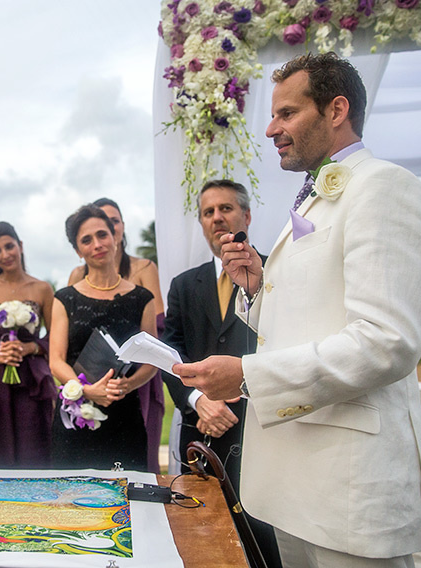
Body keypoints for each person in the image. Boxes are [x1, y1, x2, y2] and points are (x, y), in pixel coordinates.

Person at [174, 53, 421, 567]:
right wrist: (257, 290)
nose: (273, 129)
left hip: (347, 483)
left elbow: (387, 340)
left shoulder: (383, 187)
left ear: (336, 109)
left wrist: (248, 376)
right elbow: (309, 315)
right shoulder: (310, 199)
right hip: (294, 483)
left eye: (287, 113)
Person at [161, 179, 281, 567]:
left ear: (246, 215)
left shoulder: (278, 271)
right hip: (202, 434)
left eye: (226, 208)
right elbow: (171, 355)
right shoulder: (183, 285)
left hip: (262, 430)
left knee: (262, 539)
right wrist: (198, 401)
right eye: (208, 212)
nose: (217, 218)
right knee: (203, 537)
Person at [50, 204, 157, 471]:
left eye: (102, 235)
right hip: (76, 418)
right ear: (78, 251)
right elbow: (56, 360)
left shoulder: (142, 299)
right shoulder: (65, 299)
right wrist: (86, 391)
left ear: (115, 236)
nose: (97, 244)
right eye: (86, 240)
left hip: (125, 417)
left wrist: (128, 385)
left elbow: (151, 363)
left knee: (128, 499)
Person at [0, 221, 56, 468]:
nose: (4, 254)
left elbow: (55, 337)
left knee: (34, 448)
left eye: (9, 246)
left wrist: (31, 348)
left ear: (20, 246)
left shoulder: (42, 288)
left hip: (32, 380)